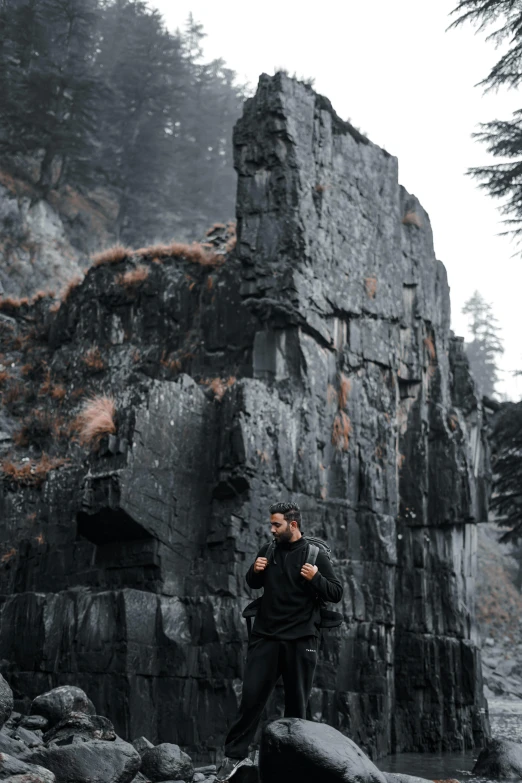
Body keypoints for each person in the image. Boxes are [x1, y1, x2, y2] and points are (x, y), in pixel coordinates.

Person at [216, 501, 343, 782]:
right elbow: (253, 583)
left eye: (276, 525)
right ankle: (233, 758)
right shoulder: (269, 550)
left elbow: (336, 592)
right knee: (250, 698)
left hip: (302, 639)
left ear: (293, 525)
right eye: (271, 524)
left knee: (297, 707)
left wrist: (316, 578)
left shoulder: (315, 554)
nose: (271, 529)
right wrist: (255, 571)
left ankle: (293, 764)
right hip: (266, 637)